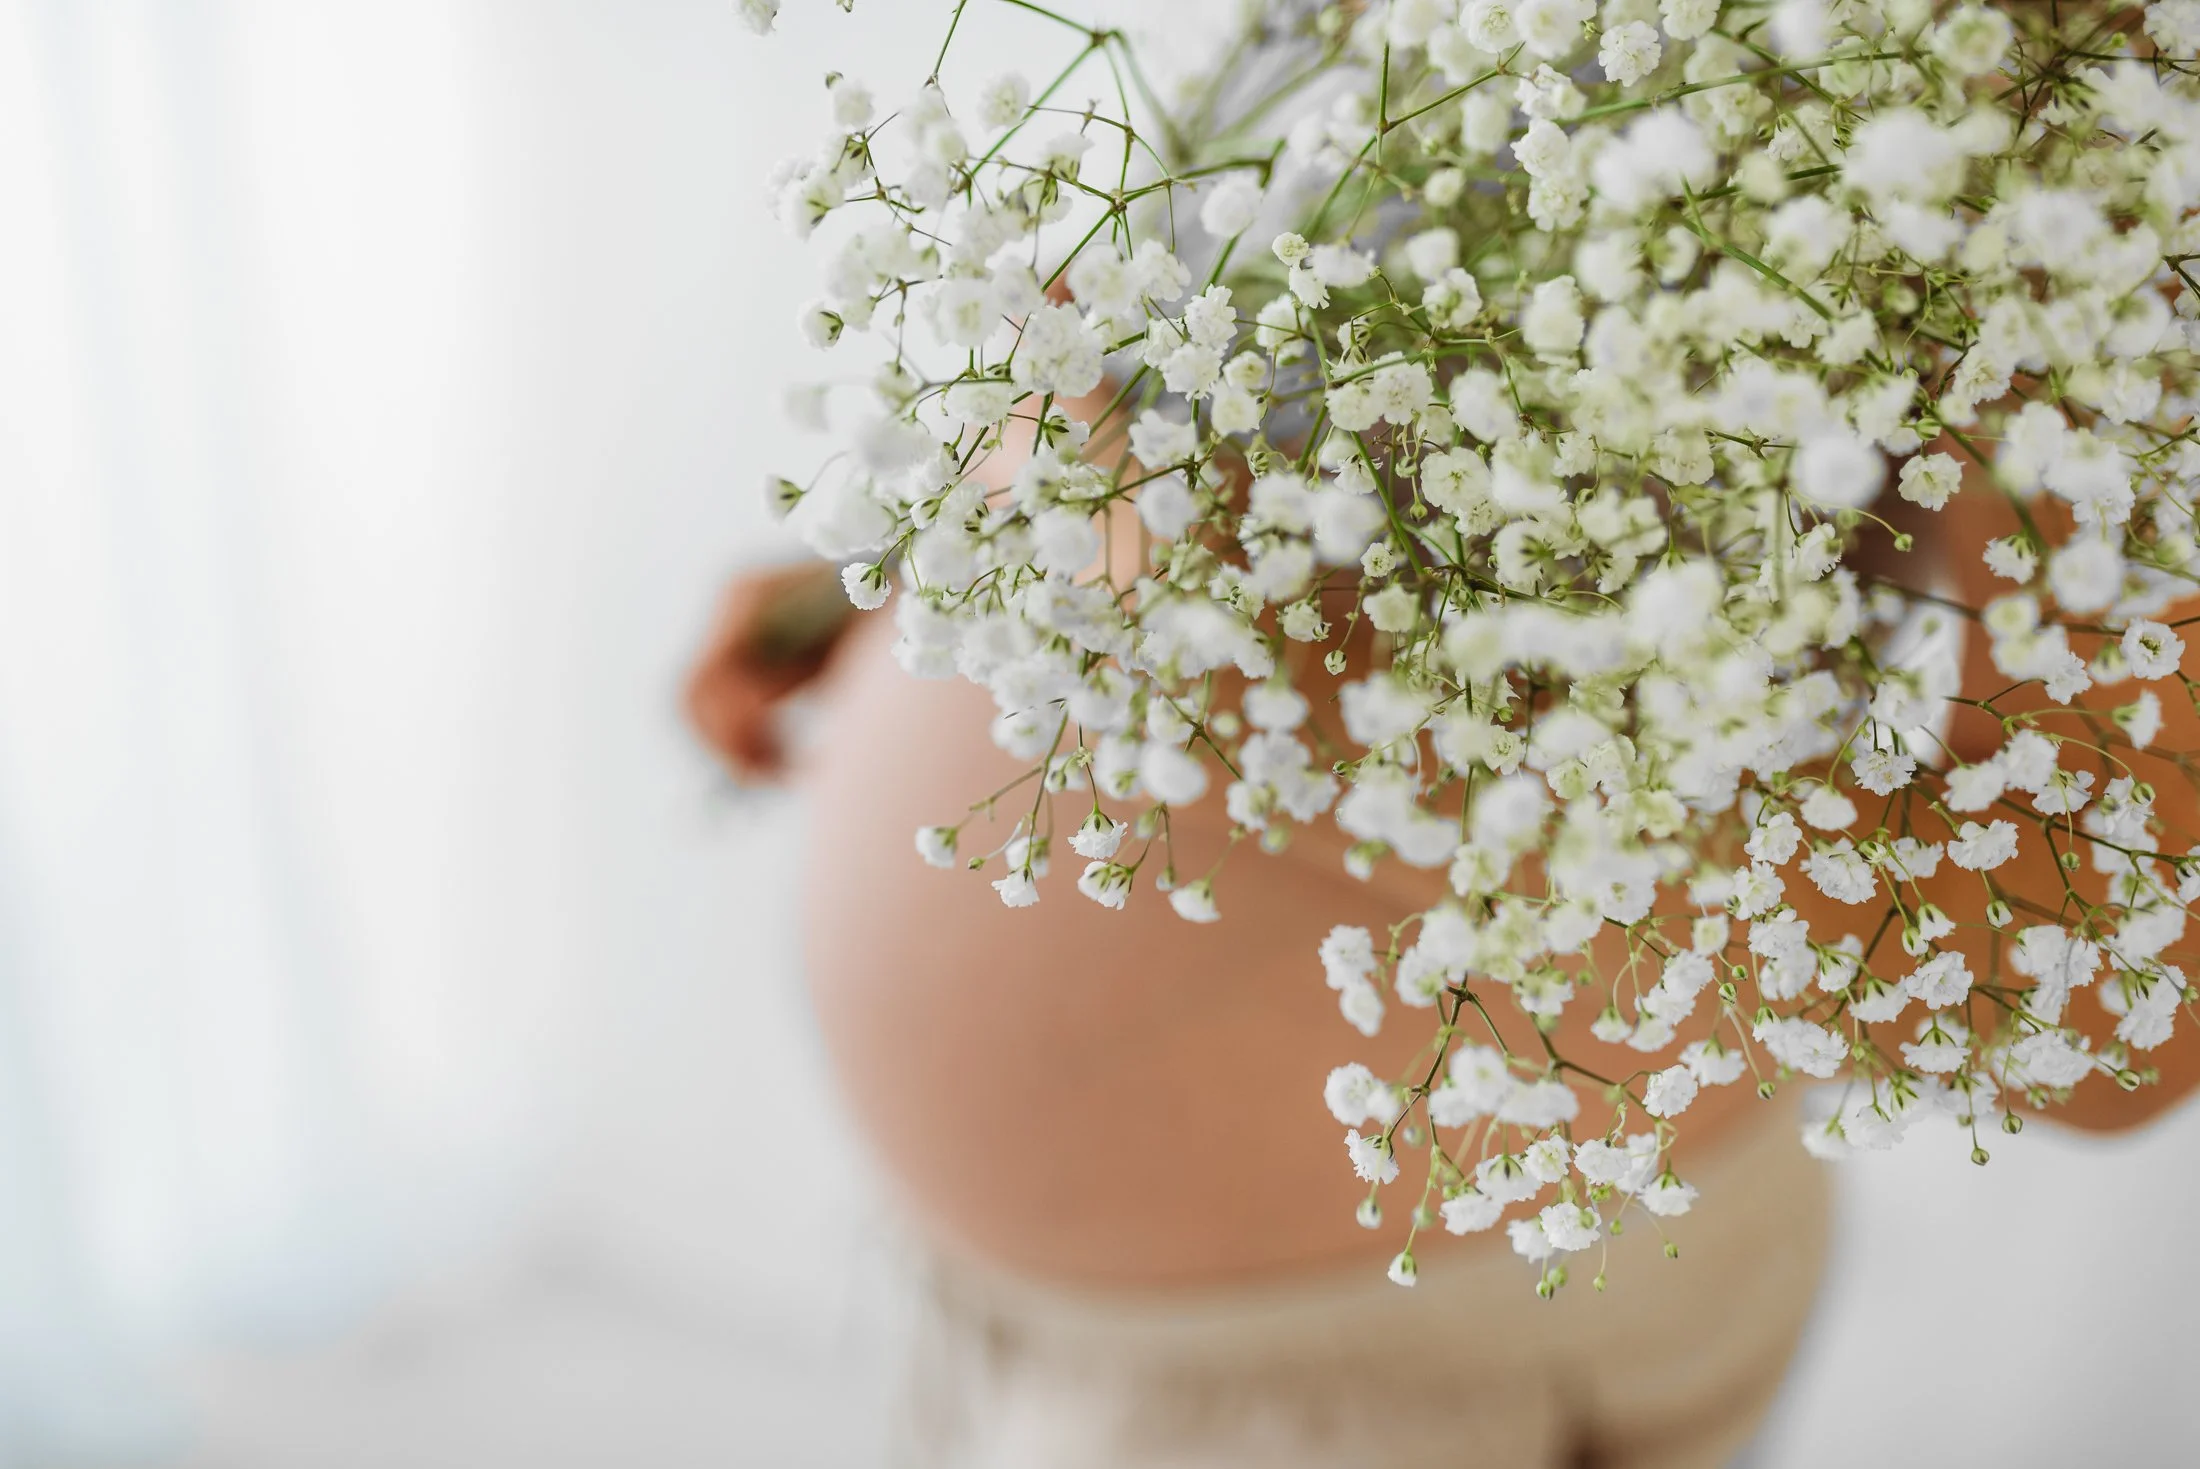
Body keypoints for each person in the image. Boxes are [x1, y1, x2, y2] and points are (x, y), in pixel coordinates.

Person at [685, 397, 2200, 1464]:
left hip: (1380, 1375)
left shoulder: (2044, 121)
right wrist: (917, 572)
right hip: (1019, 1290)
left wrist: (1532, 788)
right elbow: (1222, 330)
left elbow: (2112, 1030)